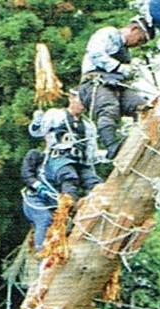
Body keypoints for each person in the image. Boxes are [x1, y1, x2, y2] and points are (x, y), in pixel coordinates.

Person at [23, 90, 102, 252]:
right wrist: (37, 121)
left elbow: (92, 153)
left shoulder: (88, 126)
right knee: (69, 178)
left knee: (95, 183)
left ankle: (94, 208)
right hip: (59, 160)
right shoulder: (55, 115)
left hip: (80, 161)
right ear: (71, 98)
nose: (83, 106)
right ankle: (68, 203)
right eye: (81, 100)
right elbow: (37, 132)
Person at [78, 16, 153, 159]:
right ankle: (112, 145)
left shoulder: (126, 52)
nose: (139, 44)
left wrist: (130, 72)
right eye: (140, 39)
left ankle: (142, 138)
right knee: (108, 108)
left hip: (116, 85)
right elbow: (95, 53)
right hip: (95, 82)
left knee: (142, 107)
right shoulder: (108, 33)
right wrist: (119, 67)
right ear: (134, 29)